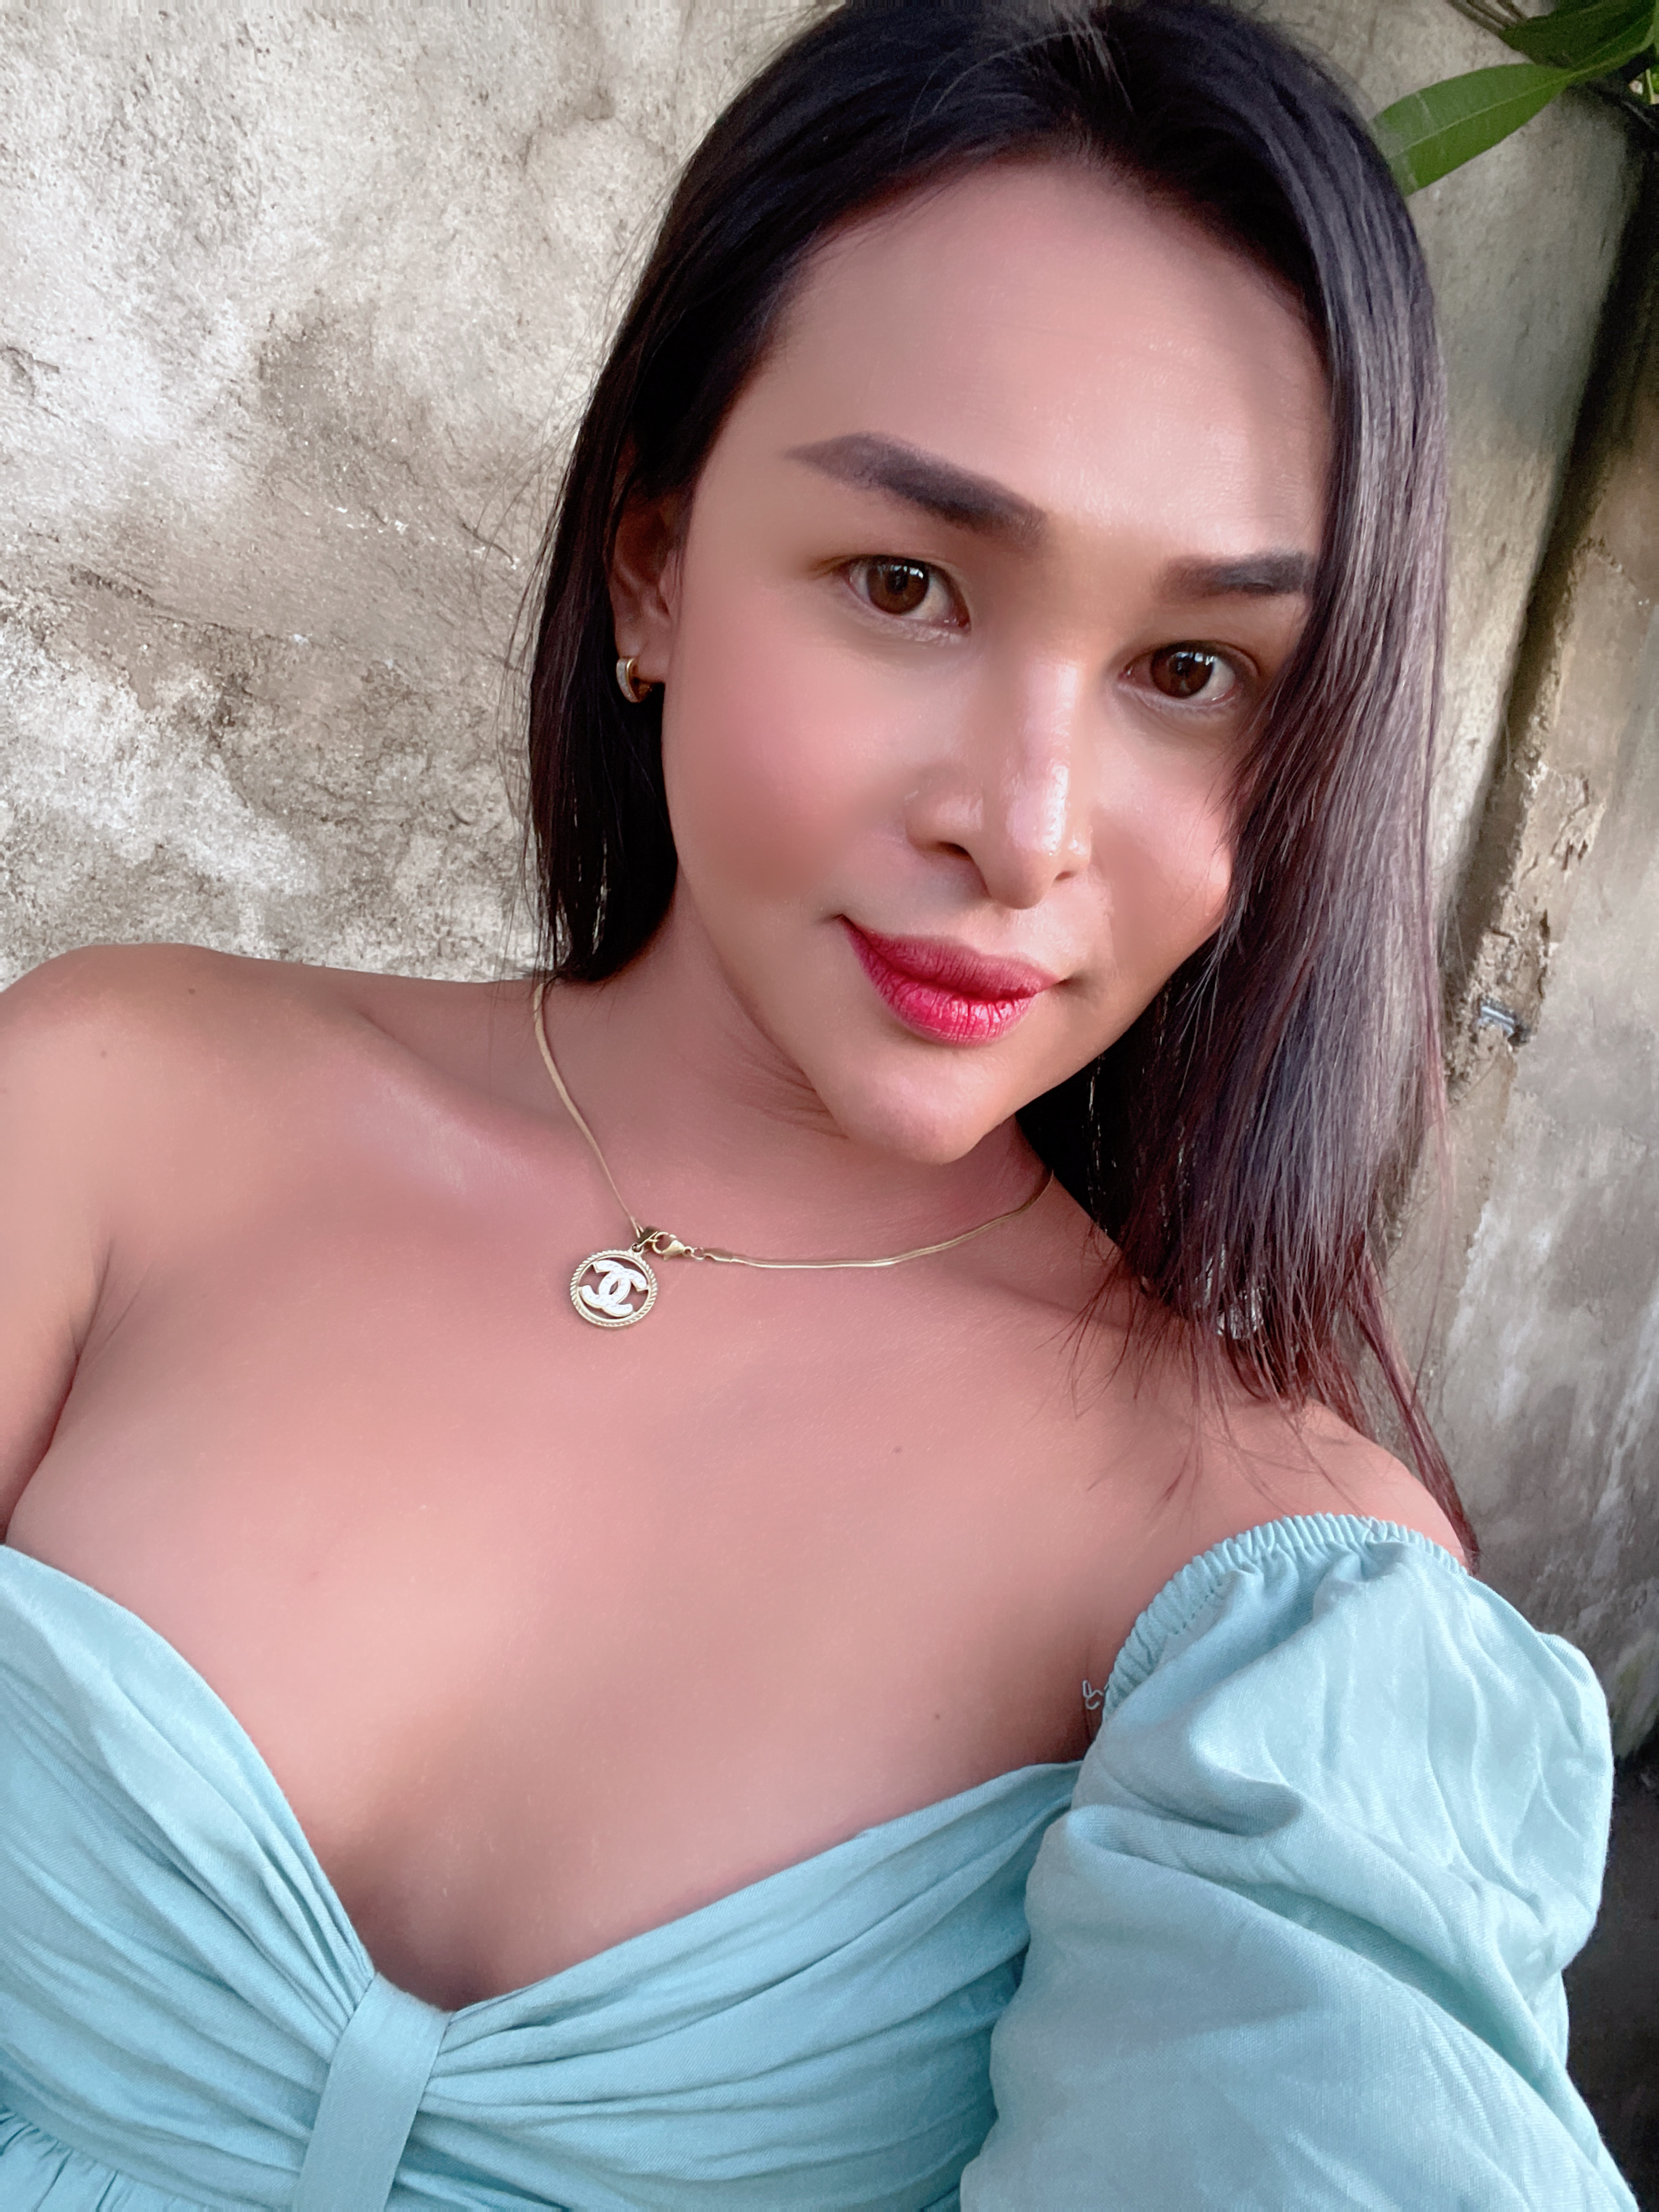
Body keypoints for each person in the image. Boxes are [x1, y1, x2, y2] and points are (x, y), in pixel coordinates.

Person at [0, 0, 1635, 2203]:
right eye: (906, 583)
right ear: (652, 564)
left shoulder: (1259, 1588)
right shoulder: (111, 1115)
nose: (1024, 827)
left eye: (1194, 672)